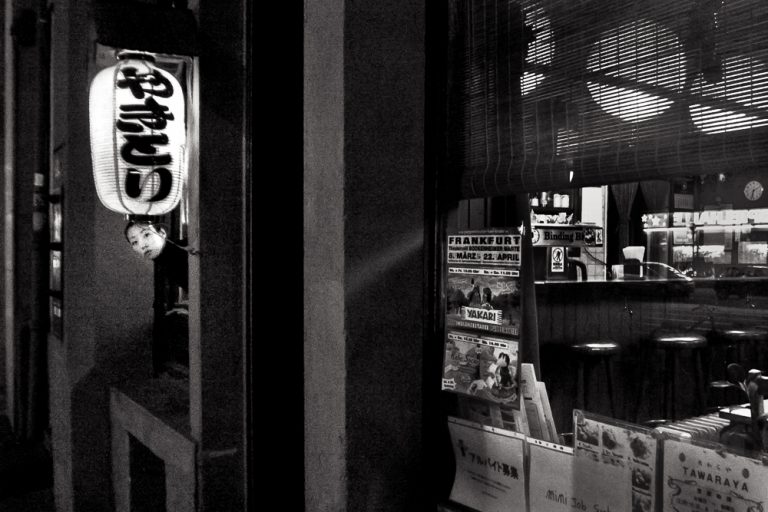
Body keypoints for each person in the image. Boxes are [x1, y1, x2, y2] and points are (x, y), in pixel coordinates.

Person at [124, 220, 189, 292]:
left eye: (146, 235)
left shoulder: (185, 250)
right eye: (135, 242)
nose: (142, 245)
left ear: (162, 233)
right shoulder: (164, 267)